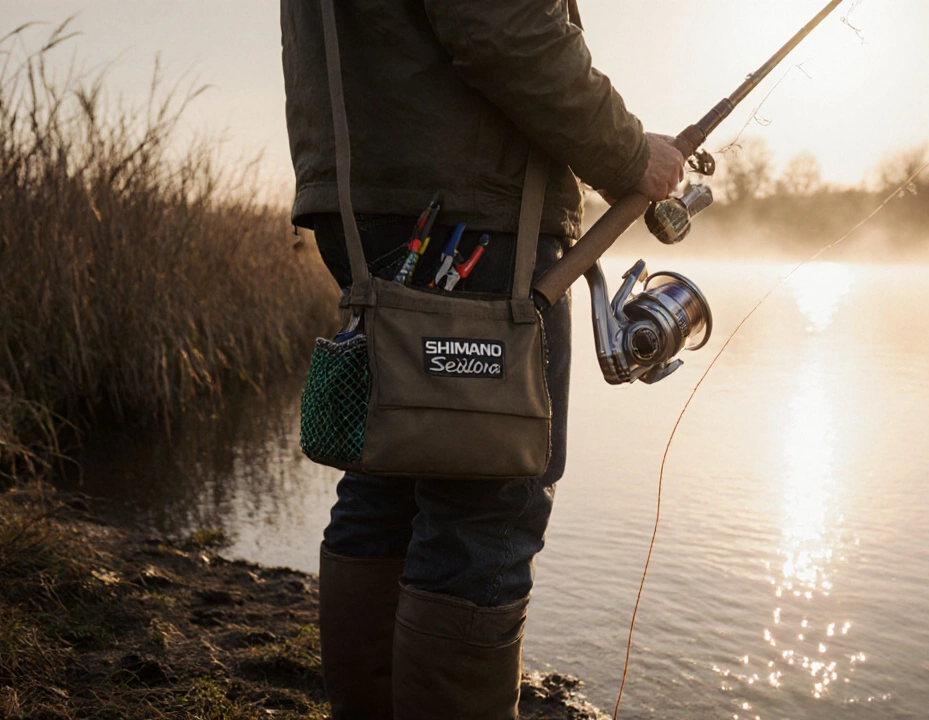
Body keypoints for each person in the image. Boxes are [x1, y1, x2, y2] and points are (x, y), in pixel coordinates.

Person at [280, 1, 685, 718]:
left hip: (362, 200)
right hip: (475, 216)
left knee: (389, 479)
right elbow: (502, 25)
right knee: (488, 506)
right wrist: (628, 154)